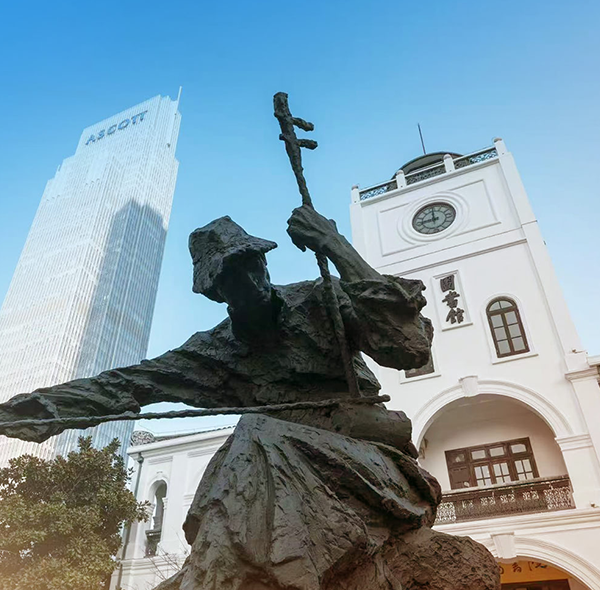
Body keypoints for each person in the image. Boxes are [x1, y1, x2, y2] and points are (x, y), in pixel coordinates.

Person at [0, 206, 498, 590]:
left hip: (373, 465)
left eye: (251, 263)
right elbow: (125, 385)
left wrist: (335, 246)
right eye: (231, 276)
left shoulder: (322, 299)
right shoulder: (215, 352)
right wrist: (41, 411)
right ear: (216, 291)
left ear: (263, 260)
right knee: (250, 445)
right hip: (276, 465)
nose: (249, 280)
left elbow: (408, 349)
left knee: (256, 436)